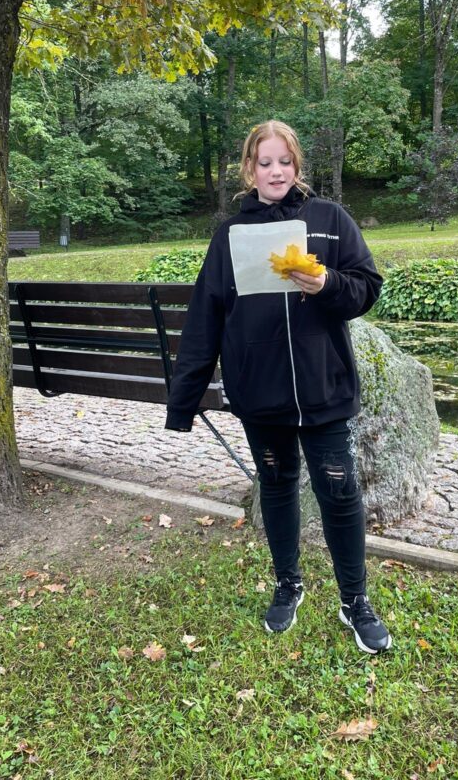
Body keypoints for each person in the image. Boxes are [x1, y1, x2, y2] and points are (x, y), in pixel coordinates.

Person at [165, 121, 391, 654]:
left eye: (284, 162)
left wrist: (328, 283)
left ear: (297, 165)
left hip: (324, 387)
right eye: (264, 163)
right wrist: (184, 402)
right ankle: (288, 584)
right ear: (249, 169)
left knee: (339, 490)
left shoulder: (329, 220)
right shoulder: (230, 235)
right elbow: (206, 317)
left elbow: (367, 288)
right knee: (277, 484)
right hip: (259, 391)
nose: (275, 172)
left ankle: (354, 599)